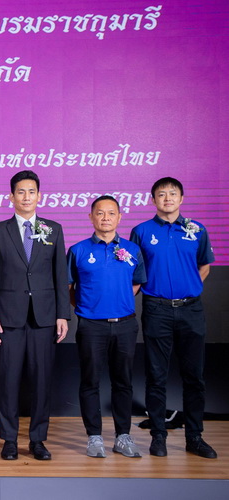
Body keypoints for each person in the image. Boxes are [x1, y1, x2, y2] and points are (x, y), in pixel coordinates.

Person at [0, 171, 69, 461]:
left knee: (42, 381)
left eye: (31, 191)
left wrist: (62, 314)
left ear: (39, 196)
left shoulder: (53, 230)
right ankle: (9, 439)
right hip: (8, 318)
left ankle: (38, 439)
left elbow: (60, 275)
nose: (26, 197)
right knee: (8, 380)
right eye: (21, 192)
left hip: (44, 318)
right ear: (11, 197)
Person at [130, 177, 217, 459]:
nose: (167, 198)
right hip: (157, 310)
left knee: (194, 377)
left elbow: (204, 266)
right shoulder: (141, 231)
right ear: (153, 199)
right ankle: (158, 436)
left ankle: (195, 437)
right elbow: (134, 273)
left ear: (181, 198)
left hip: (191, 310)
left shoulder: (196, 229)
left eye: (172, 194)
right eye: (161, 194)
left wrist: (187, 289)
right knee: (156, 376)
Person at [67, 195, 146, 458]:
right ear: (91, 217)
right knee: (90, 381)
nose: (105, 218)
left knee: (123, 382)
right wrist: (91, 307)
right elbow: (69, 287)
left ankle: (123, 437)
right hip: (91, 326)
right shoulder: (78, 250)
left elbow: (136, 283)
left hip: (125, 325)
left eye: (111, 213)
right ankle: (94, 437)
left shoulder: (132, 250)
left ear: (119, 217)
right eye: (100, 213)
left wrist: (117, 301)